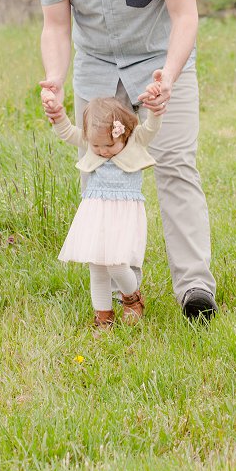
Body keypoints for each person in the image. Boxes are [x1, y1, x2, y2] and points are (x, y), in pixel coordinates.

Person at [35, 0, 217, 322]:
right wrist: (54, 78)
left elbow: (185, 15)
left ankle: (194, 288)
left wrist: (169, 78)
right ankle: (123, 287)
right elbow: (56, 27)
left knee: (175, 167)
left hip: (160, 63)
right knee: (102, 181)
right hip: (97, 69)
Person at [45, 92, 160, 329]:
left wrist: (156, 111)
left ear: (123, 132)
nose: (102, 151)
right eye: (96, 146)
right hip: (95, 212)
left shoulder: (134, 140)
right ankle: (103, 317)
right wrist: (58, 117)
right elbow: (68, 133)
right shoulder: (92, 144)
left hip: (123, 214)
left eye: (108, 145)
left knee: (117, 263)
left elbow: (150, 128)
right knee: (96, 265)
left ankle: (131, 297)